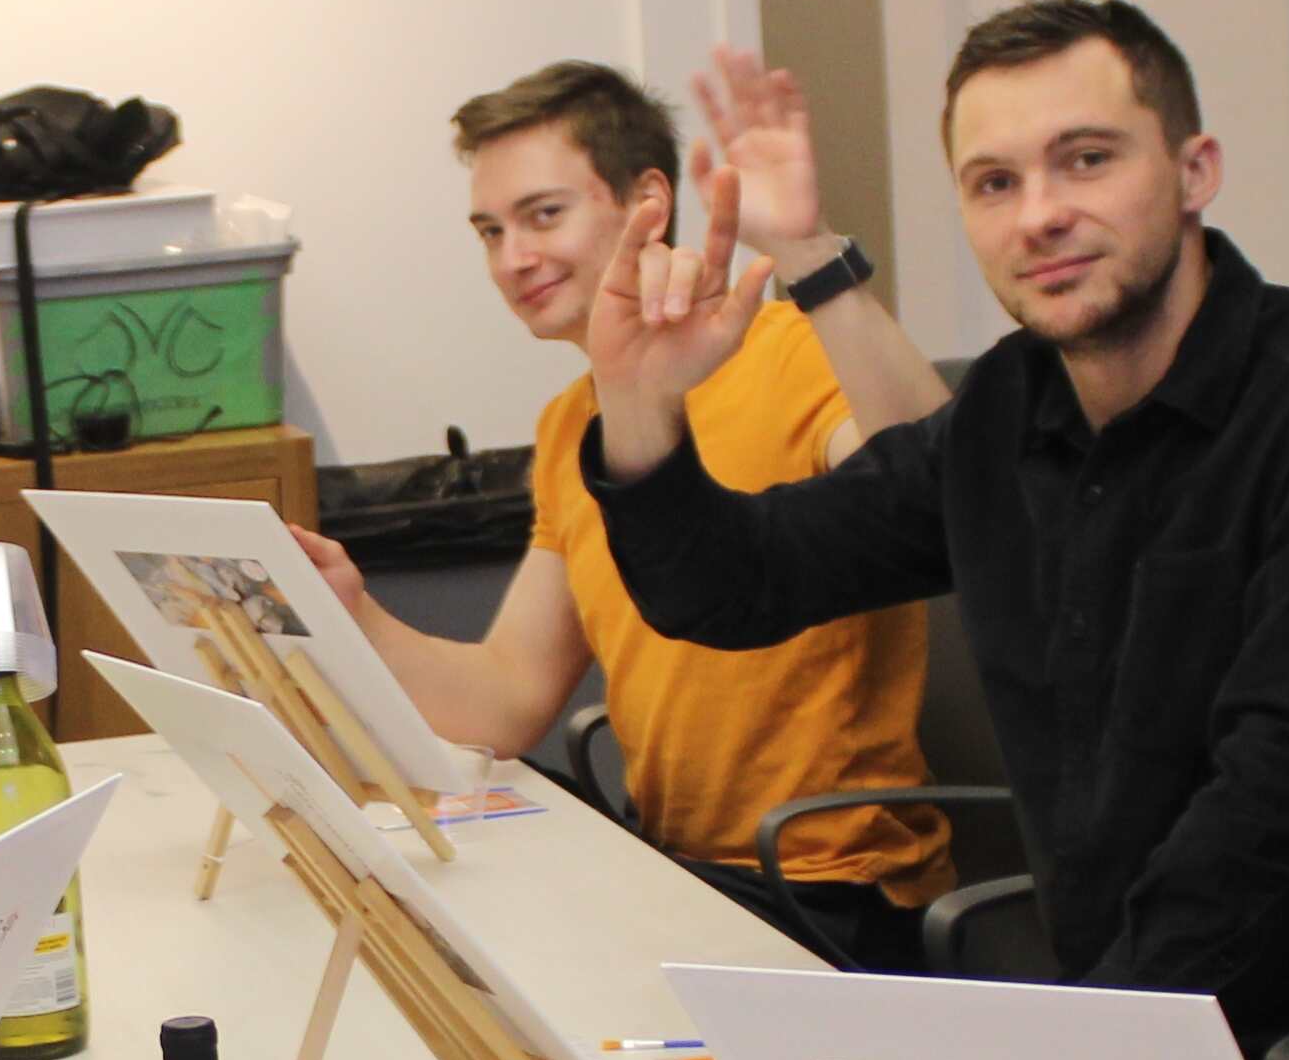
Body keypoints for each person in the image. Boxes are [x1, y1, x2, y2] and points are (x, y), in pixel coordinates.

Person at [579, 0, 1289, 1059]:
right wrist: (638, 400)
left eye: (1088, 159)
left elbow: (1279, 810)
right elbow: (732, 585)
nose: (1039, 215)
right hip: (1120, 1047)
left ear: (1195, 171)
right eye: (995, 183)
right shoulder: (1010, 409)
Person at [293, 49, 954, 966]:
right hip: (678, 872)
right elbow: (511, 696)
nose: (512, 258)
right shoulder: (575, 422)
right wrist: (350, 613)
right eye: (489, 231)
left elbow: (943, 486)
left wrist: (812, 258)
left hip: (828, 889)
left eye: (542, 216)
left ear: (647, 200)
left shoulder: (787, 348)